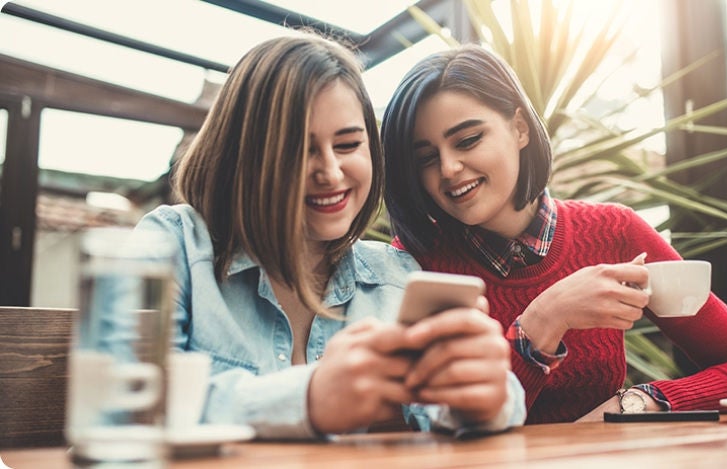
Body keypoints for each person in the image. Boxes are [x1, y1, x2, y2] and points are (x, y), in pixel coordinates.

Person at [133, 33, 525, 439]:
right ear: (244, 155)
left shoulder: (393, 276)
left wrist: (483, 395)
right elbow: (130, 400)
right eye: (300, 149)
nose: (332, 173)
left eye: (348, 143)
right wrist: (309, 398)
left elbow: (462, 406)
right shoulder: (173, 243)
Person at [380, 44, 727, 424]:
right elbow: (449, 427)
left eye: (468, 140)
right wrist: (545, 318)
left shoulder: (615, 231)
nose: (449, 168)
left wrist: (637, 403)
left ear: (520, 128)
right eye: (427, 158)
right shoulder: (412, 263)